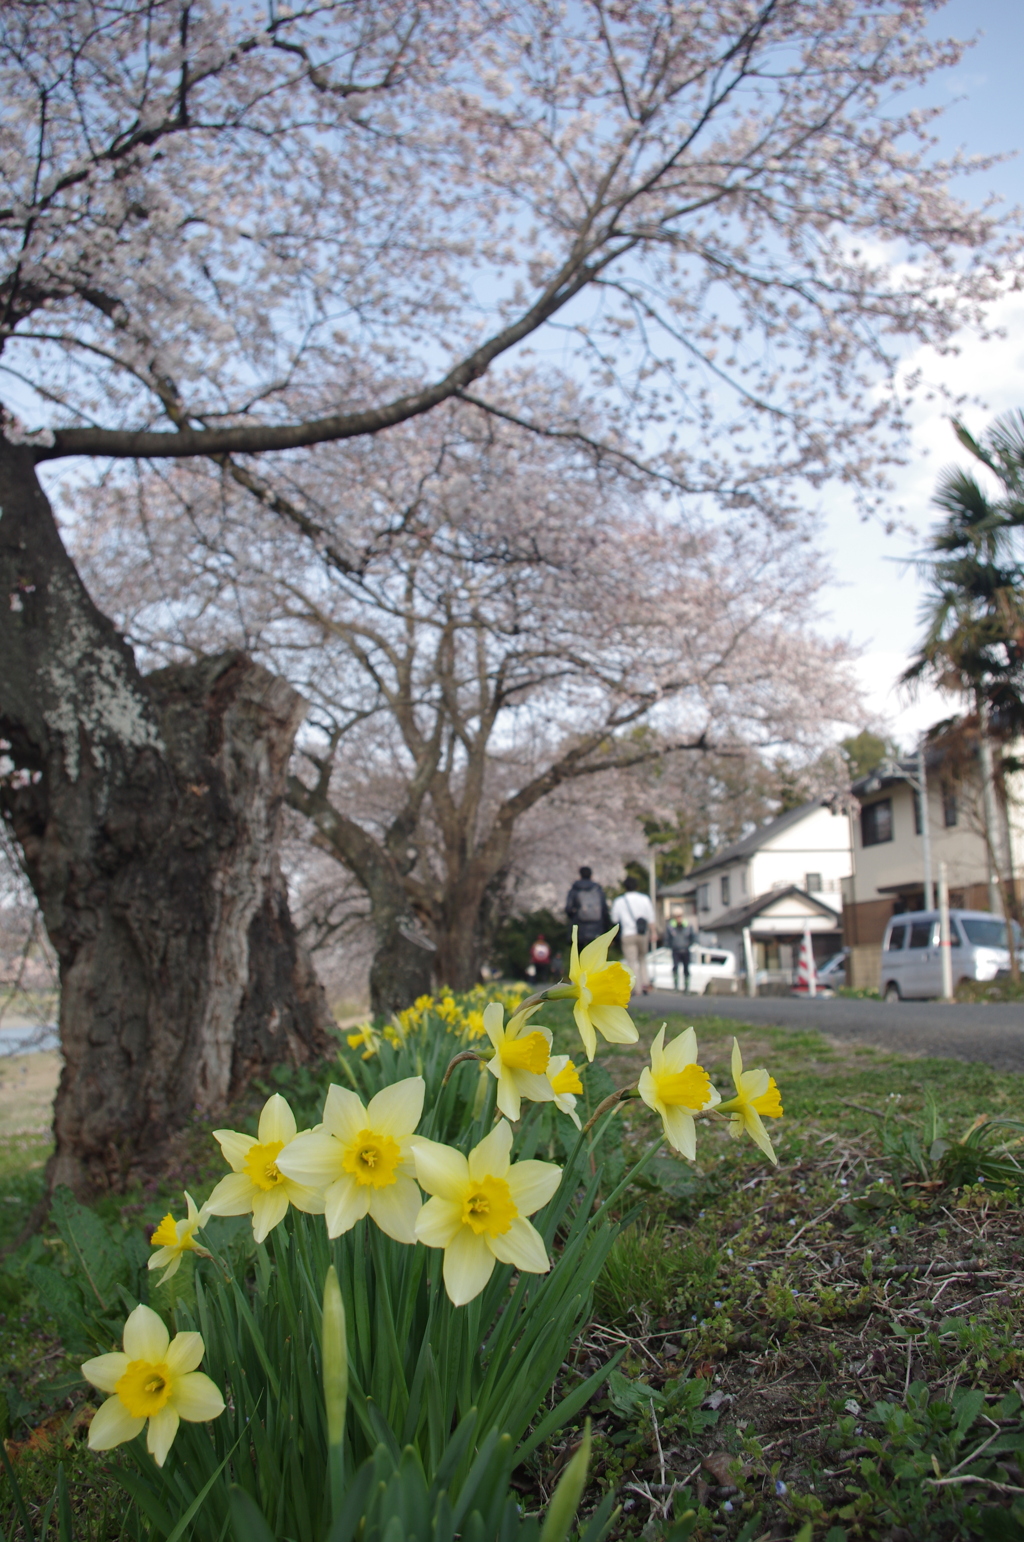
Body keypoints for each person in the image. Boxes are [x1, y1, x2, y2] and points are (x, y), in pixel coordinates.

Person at [610, 876, 657, 995]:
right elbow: (651, 918)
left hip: (627, 934)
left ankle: (636, 987)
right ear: (637, 886)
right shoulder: (644, 899)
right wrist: (653, 932)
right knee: (642, 959)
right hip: (642, 933)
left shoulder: (619, 901)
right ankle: (645, 983)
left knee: (631, 961)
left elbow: (614, 919)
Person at [565, 866, 612, 949]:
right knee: (595, 952)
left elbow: (568, 909)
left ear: (580, 875)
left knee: (578, 952)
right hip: (597, 926)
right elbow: (604, 910)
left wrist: (574, 916)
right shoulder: (598, 889)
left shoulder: (575, 889)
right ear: (591, 876)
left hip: (579, 926)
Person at [667, 917, 696, 992]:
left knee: (686, 969)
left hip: (685, 950)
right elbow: (668, 939)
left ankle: (686, 988)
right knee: (675, 967)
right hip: (675, 950)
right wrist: (670, 946)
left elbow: (692, 937)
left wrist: (689, 944)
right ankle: (676, 987)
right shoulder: (671, 927)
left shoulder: (688, 926)